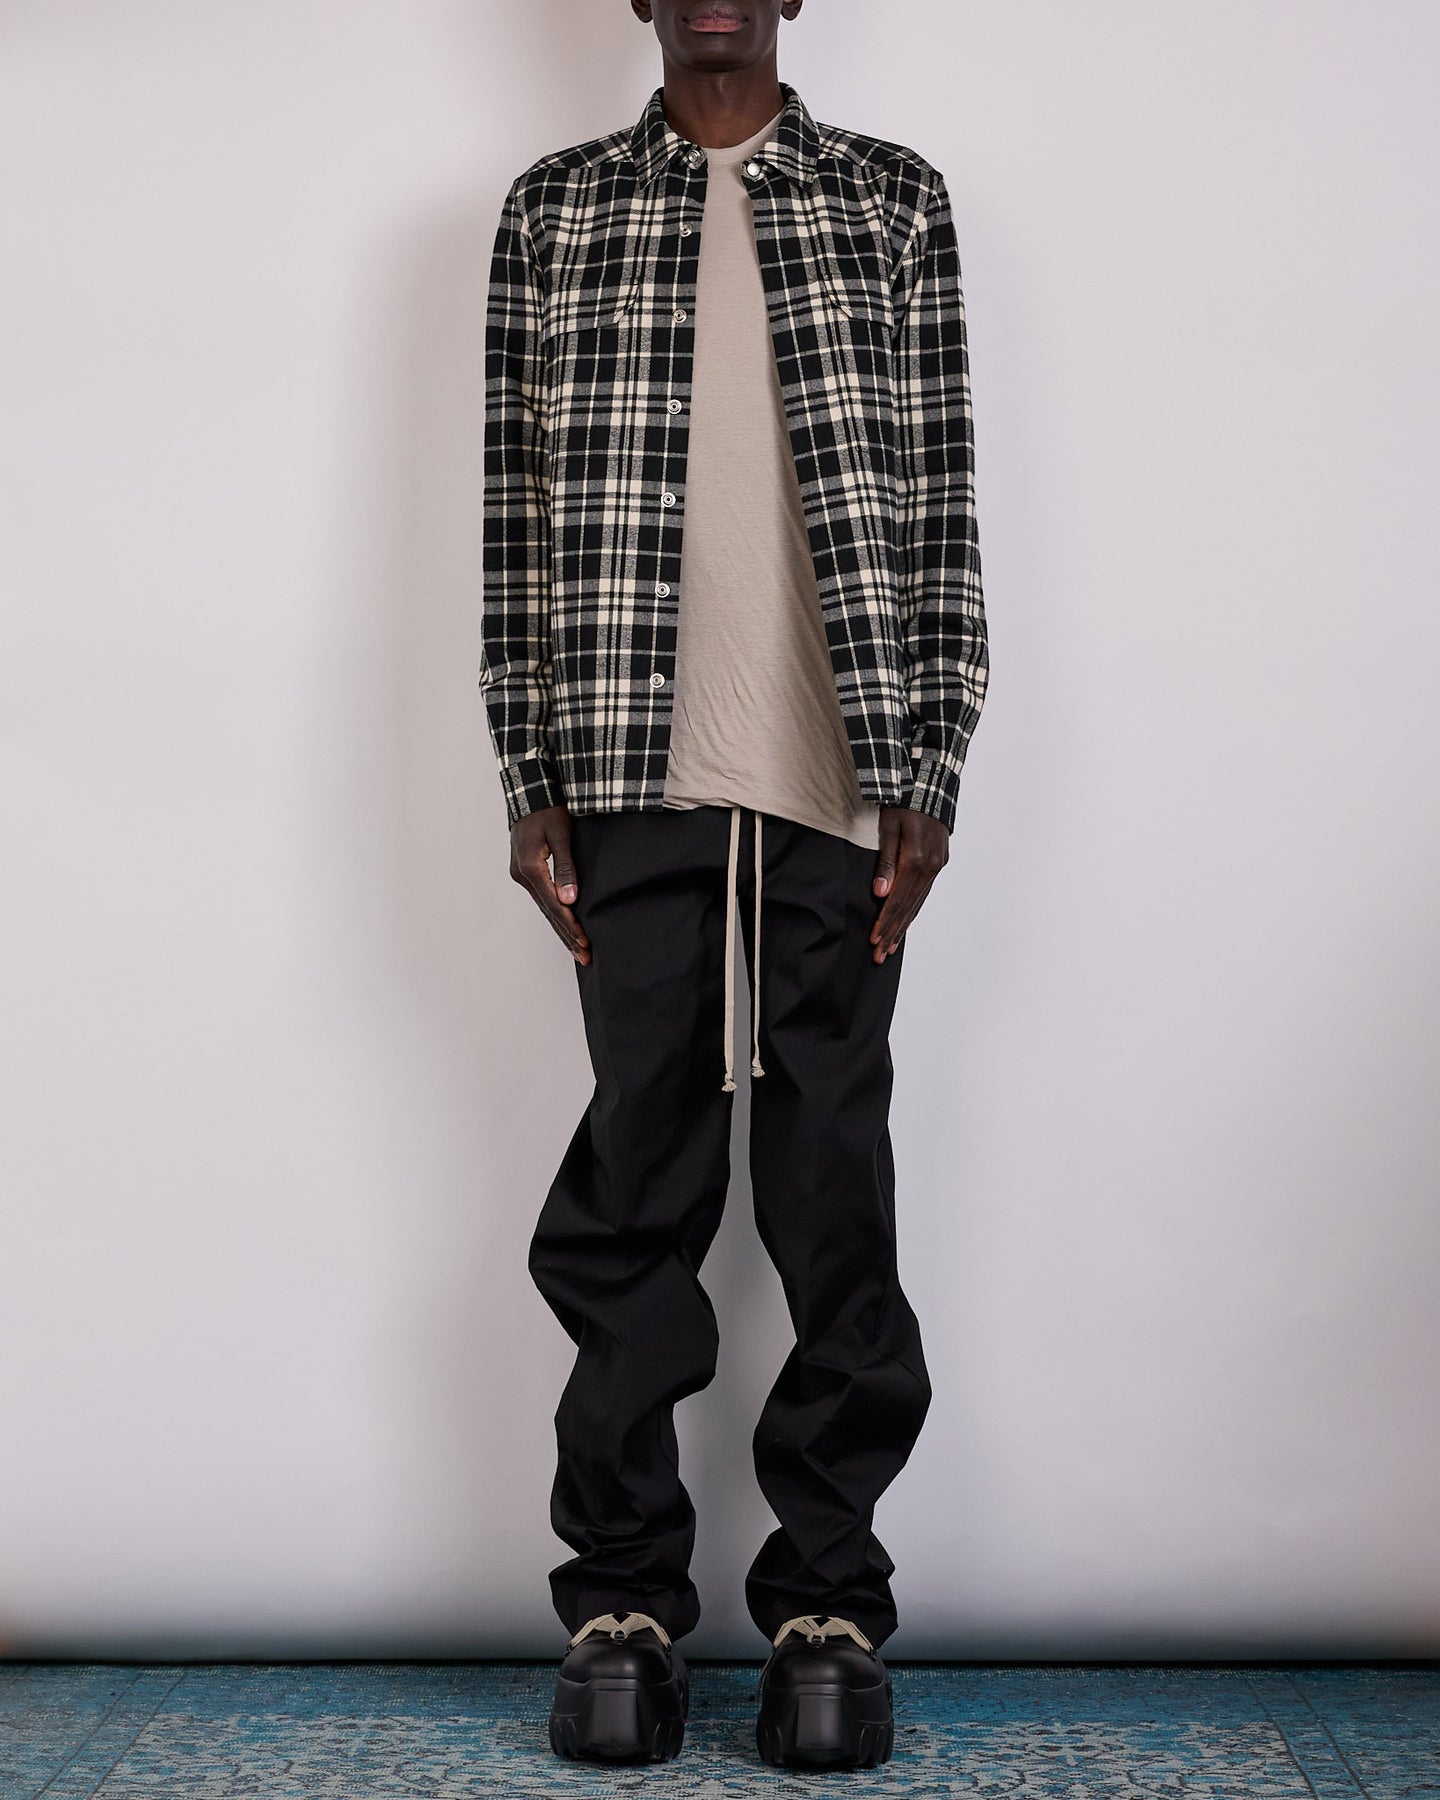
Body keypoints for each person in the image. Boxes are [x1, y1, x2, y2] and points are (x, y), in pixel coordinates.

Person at [480, 0, 988, 1769]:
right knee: (636, 1190)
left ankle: (829, 1605)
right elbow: (514, 513)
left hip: (841, 785)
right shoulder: (554, 210)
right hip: (631, 768)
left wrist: (930, 768)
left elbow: (942, 506)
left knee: (834, 1194)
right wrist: (527, 770)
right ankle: (621, 1604)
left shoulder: (892, 200)